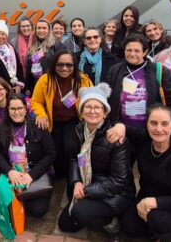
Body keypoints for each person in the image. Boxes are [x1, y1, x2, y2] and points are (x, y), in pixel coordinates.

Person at [56, 84, 132, 234]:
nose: (92, 111)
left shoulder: (115, 138)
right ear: (82, 112)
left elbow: (119, 181)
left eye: (97, 107)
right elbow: (74, 158)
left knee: (79, 213)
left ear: (105, 112)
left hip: (114, 193)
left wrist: (86, 190)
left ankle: (111, 220)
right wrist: (77, 181)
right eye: (88, 107)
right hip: (89, 184)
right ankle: (90, 212)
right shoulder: (79, 131)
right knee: (65, 224)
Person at [119, 105, 171, 241]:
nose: (158, 129)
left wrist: (153, 202)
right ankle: (153, 233)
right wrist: (119, 126)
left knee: (157, 219)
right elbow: (125, 128)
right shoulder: (144, 139)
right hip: (148, 196)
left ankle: (166, 235)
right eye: (153, 123)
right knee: (128, 225)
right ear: (147, 124)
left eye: (165, 124)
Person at [0, 94, 56, 218]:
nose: (16, 112)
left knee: (38, 211)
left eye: (20, 108)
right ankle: (5, 197)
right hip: (11, 170)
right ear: (8, 110)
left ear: (26, 108)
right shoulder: (1, 127)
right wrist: (9, 171)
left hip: (32, 171)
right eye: (12, 109)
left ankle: (20, 196)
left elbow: (50, 155)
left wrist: (31, 175)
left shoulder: (38, 126)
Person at [30, 50, 93, 183]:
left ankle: (72, 176)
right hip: (52, 120)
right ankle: (57, 174)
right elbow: (35, 101)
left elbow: (92, 99)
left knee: (70, 147)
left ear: (74, 66)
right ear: (54, 65)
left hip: (73, 120)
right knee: (54, 149)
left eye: (69, 65)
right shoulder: (45, 80)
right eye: (60, 65)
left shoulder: (83, 80)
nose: (64, 68)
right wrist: (41, 114)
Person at [105, 34, 171, 128]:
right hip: (120, 130)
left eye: (137, 51)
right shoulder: (114, 70)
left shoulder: (159, 71)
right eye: (129, 50)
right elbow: (106, 99)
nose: (132, 54)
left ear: (145, 52)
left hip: (150, 131)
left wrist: (169, 126)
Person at [25, 19, 64, 93]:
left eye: (44, 28)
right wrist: (28, 87)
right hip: (35, 84)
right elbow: (29, 69)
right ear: (35, 30)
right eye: (39, 28)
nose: (41, 30)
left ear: (49, 30)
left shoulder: (56, 45)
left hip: (50, 85)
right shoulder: (32, 45)